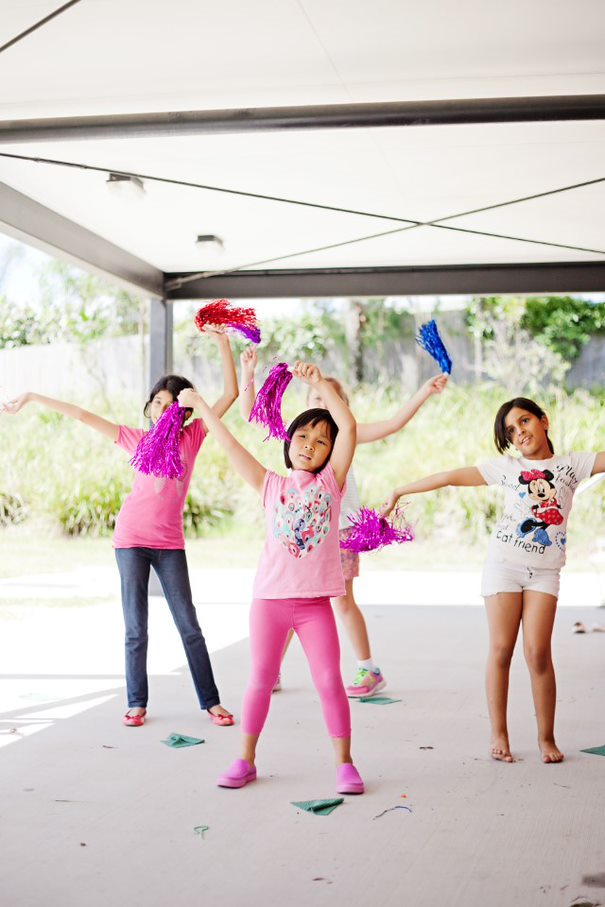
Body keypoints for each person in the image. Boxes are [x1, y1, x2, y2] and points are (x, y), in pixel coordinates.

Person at [1, 330, 238, 729]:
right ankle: (136, 703)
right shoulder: (136, 440)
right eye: (157, 402)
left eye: (170, 404)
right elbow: (80, 414)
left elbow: (229, 394)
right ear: (150, 407)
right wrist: (33, 397)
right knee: (135, 628)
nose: (161, 408)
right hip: (130, 542)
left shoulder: (193, 437)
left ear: (183, 412)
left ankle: (211, 701)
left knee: (189, 625)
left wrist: (222, 344)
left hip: (169, 546)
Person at [382, 396, 605, 764]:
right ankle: (498, 731)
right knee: (502, 650)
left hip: (546, 573)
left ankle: (546, 737)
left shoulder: (573, 464)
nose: (520, 433)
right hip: (504, 566)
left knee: (538, 653)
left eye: (525, 422)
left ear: (544, 421)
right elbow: (450, 477)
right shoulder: (506, 468)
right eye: (512, 432)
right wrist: (400, 490)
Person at [179, 361, 364, 793]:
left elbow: (349, 427)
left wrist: (318, 383)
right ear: (288, 441)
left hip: (315, 604)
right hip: (270, 602)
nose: (310, 445)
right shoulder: (270, 484)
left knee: (329, 681)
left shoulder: (331, 484)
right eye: (302, 436)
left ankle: (345, 764)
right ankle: (245, 759)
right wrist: (204, 406)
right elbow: (227, 445)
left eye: (321, 441)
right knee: (260, 679)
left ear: (329, 453)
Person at [240, 346, 447, 696]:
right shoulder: (301, 437)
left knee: (342, 601)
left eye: (327, 397)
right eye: (313, 396)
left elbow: (395, 423)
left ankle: (369, 669)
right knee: (294, 596)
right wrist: (248, 373)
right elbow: (252, 414)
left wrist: (424, 391)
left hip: (342, 532)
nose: (319, 402)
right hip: (302, 533)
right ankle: (272, 668)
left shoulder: (343, 435)